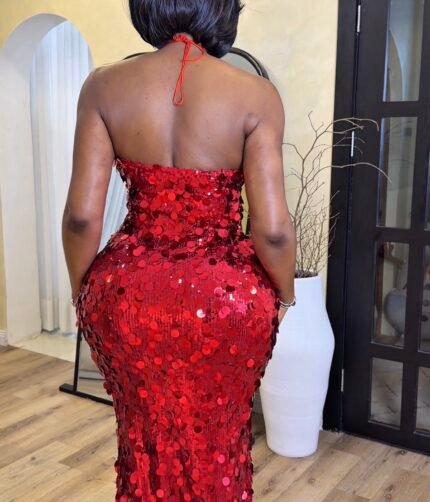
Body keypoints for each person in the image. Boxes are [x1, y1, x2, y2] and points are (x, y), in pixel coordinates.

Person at [62, 0, 296, 500]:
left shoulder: (102, 87)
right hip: (225, 302)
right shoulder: (256, 95)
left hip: (127, 298)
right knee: (218, 438)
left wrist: (82, 292)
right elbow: (273, 230)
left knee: (145, 433)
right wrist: (285, 295)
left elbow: (81, 217)